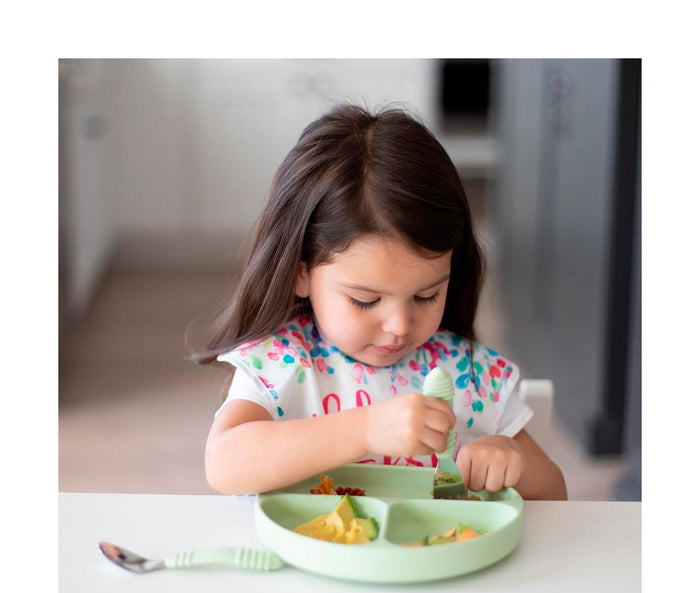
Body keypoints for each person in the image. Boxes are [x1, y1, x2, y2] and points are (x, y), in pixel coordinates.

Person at [194, 103, 567, 500]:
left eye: (426, 295)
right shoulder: (282, 362)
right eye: (366, 300)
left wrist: (510, 458)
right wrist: (366, 429)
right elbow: (224, 462)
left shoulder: (469, 375)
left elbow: (555, 494)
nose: (400, 325)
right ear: (301, 273)